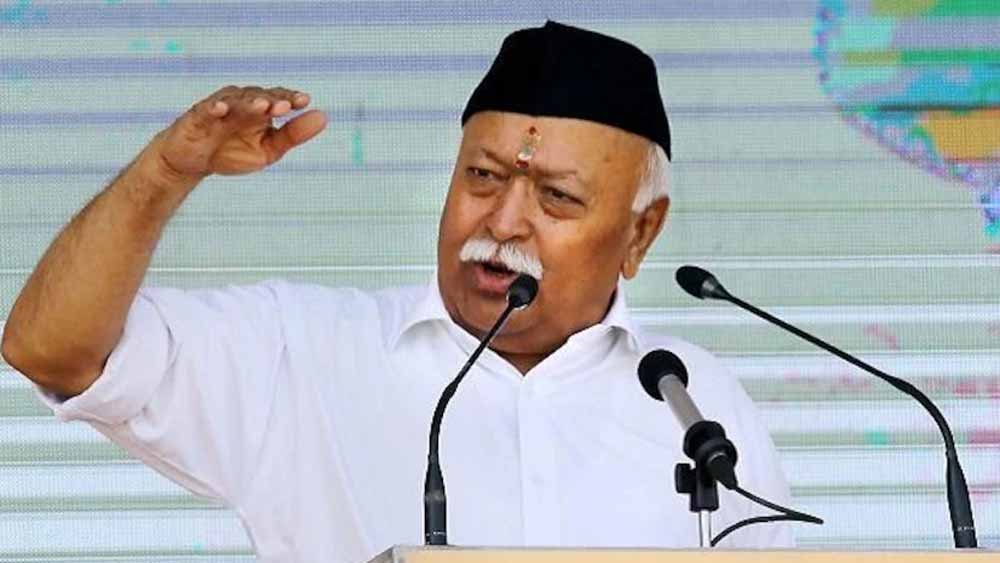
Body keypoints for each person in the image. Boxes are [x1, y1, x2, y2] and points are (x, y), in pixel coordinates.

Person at [1, 21, 794, 563]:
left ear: (640, 233)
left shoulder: (695, 403)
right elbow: (50, 348)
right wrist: (166, 174)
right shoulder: (302, 351)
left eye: (555, 197)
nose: (503, 222)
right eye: (481, 177)